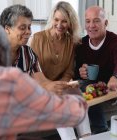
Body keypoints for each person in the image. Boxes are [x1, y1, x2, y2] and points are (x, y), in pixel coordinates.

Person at [0, 18, 87, 140]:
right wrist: (74, 92)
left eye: (29, 27)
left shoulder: (30, 53)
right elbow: (73, 113)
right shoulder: (8, 79)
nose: (28, 32)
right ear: (0, 51)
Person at [30, 1, 91, 139]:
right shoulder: (38, 38)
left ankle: (87, 137)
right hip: (41, 89)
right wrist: (51, 87)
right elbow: (32, 71)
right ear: (52, 19)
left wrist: (62, 86)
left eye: (64, 21)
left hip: (60, 88)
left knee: (77, 98)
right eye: (56, 20)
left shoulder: (71, 41)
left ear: (70, 22)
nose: (59, 25)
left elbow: (69, 71)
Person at [74, 6, 117, 134]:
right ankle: (101, 130)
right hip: (98, 82)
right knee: (85, 89)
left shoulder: (116, 41)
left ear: (106, 23)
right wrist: (81, 72)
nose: (91, 25)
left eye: (96, 20)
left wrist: (116, 77)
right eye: (88, 21)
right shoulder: (81, 44)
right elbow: (78, 69)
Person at [0, 4, 68, 95]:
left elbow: (42, 82)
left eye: (29, 27)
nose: (28, 31)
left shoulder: (28, 53)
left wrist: (58, 86)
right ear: (7, 29)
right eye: (22, 28)